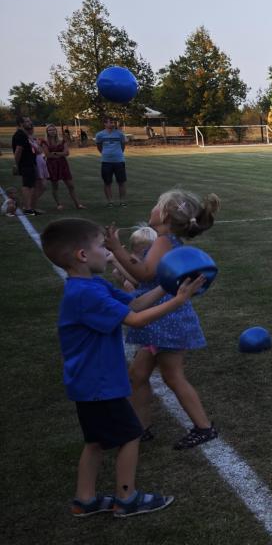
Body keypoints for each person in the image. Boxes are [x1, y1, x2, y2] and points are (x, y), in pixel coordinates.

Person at [42, 218, 203, 518]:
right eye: (102, 247)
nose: (108, 253)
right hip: (99, 382)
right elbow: (136, 320)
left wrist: (168, 287)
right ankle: (126, 498)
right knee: (130, 435)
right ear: (82, 255)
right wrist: (180, 299)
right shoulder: (86, 294)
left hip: (89, 381)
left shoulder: (93, 285)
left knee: (95, 441)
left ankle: (85, 500)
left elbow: (134, 304)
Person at [106, 189, 221, 449]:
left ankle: (204, 427)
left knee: (173, 376)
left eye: (157, 205)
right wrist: (121, 263)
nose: (153, 208)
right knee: (137, 374)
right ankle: (140, 427)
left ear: (166, 214)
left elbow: (145, 274)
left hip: (166, 319)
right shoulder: (164, 240)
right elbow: (146, 278)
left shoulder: (163, 241)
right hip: (160, 317)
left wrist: (116, 249)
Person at [43, 124, 87, 210]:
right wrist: (60, 153)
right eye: (50, 130)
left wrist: (55, 153)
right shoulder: (45, 142)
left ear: (56, 131)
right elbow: (47, 155)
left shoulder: (62, 141)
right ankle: (58, 204)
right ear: (47, 132)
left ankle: (77, 204)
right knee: (55, 186)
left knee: (71, 185)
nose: (52, 131)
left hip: (63, 164)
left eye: (53, 130)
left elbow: (67, 153)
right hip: (52, 165)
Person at [12, 116, 43, 215]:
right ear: (21, 124)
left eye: (30, 121)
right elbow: (18, 150)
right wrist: (16, 164)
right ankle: (27, 209)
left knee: (30, 185)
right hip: (25, 164)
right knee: (27, 186)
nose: (30, 123)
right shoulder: (20, 134)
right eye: (27, 121)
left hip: (29, 163)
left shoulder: (24, 134)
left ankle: (29, 208)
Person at [113, 224, 157, 293]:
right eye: (133, 250)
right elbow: (116, 273)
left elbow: (138, 281)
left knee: (128, 284)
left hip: (150, 291)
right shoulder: (136, 259)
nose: (133, 255)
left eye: (140, 252)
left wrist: (115, 261)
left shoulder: (151, 264)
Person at [96, 118, 127, 207]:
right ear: (105, 124)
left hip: (119, 161)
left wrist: (118, 153)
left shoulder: (120, 134)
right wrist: (105, 153)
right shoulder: (99, 135)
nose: (113, 124)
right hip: (106, 161)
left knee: (121, 182)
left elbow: (123, 145)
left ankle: (122, 202)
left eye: (113, 122)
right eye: (110, 122)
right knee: (107, 182)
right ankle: (110, 202)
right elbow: (99, 146)